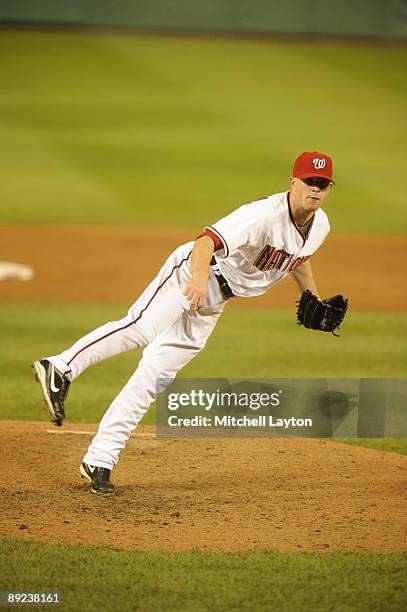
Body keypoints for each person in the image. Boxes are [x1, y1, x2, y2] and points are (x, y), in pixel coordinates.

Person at [33, 151, 335, 495]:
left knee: (155, 375)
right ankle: (60, 367)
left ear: (328, 189)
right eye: (310, 181)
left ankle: (100, 458)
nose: (315, 189)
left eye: (322, 184)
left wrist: (314, 297)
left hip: (215, 301)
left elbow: (298, 259)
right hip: (194, 273)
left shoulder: (320, 225)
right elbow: (205, 241)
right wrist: (197, 277)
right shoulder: (261, 215)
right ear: (294, 182)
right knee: (139, 328)